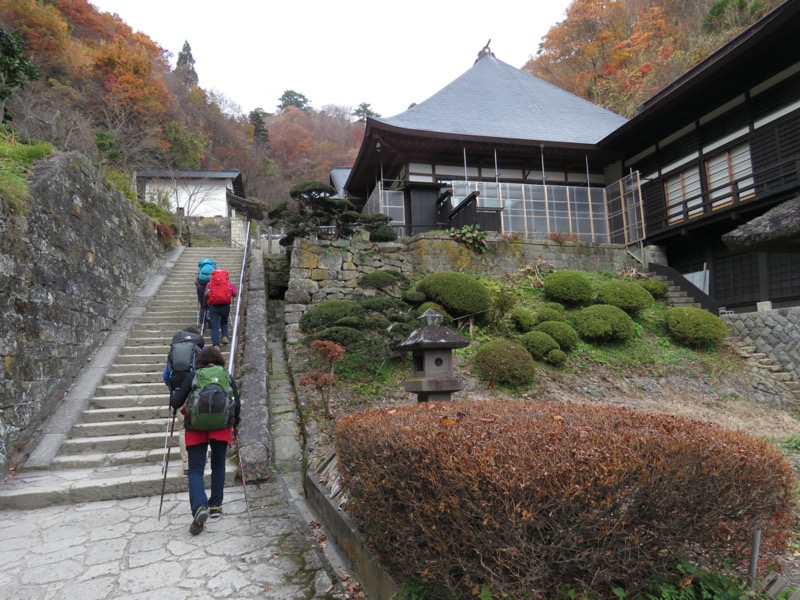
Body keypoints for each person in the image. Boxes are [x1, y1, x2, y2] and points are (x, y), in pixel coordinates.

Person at [170, 347, 240, 535]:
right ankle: (216, 505)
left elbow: (176, 402)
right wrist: (235, 424)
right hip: (221, 426)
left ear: (200, 360)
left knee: (195, 470)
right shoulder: (226, 375)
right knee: (218, 466)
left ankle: (200, 507)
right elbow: (236, 403)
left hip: (196, 427)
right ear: (220, 361)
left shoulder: (194, 375)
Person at [162, 326, 205, 474]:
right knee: (202, 426)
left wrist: (173, 388)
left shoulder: (174, 351)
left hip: (180, 393)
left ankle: (187, 465)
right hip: (199, 394)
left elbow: (166, 376)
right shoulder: (201, 350)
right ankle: (201, 459)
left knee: (183, 429)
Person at [205, 269, 238, 349]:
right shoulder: (228, 283)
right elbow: (234, 293)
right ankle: (225, 336)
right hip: (225, 306)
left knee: (214, 326)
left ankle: (216, 345)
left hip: (213, 307)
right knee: (224, 322)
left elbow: (206, 294)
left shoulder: (210, 284)